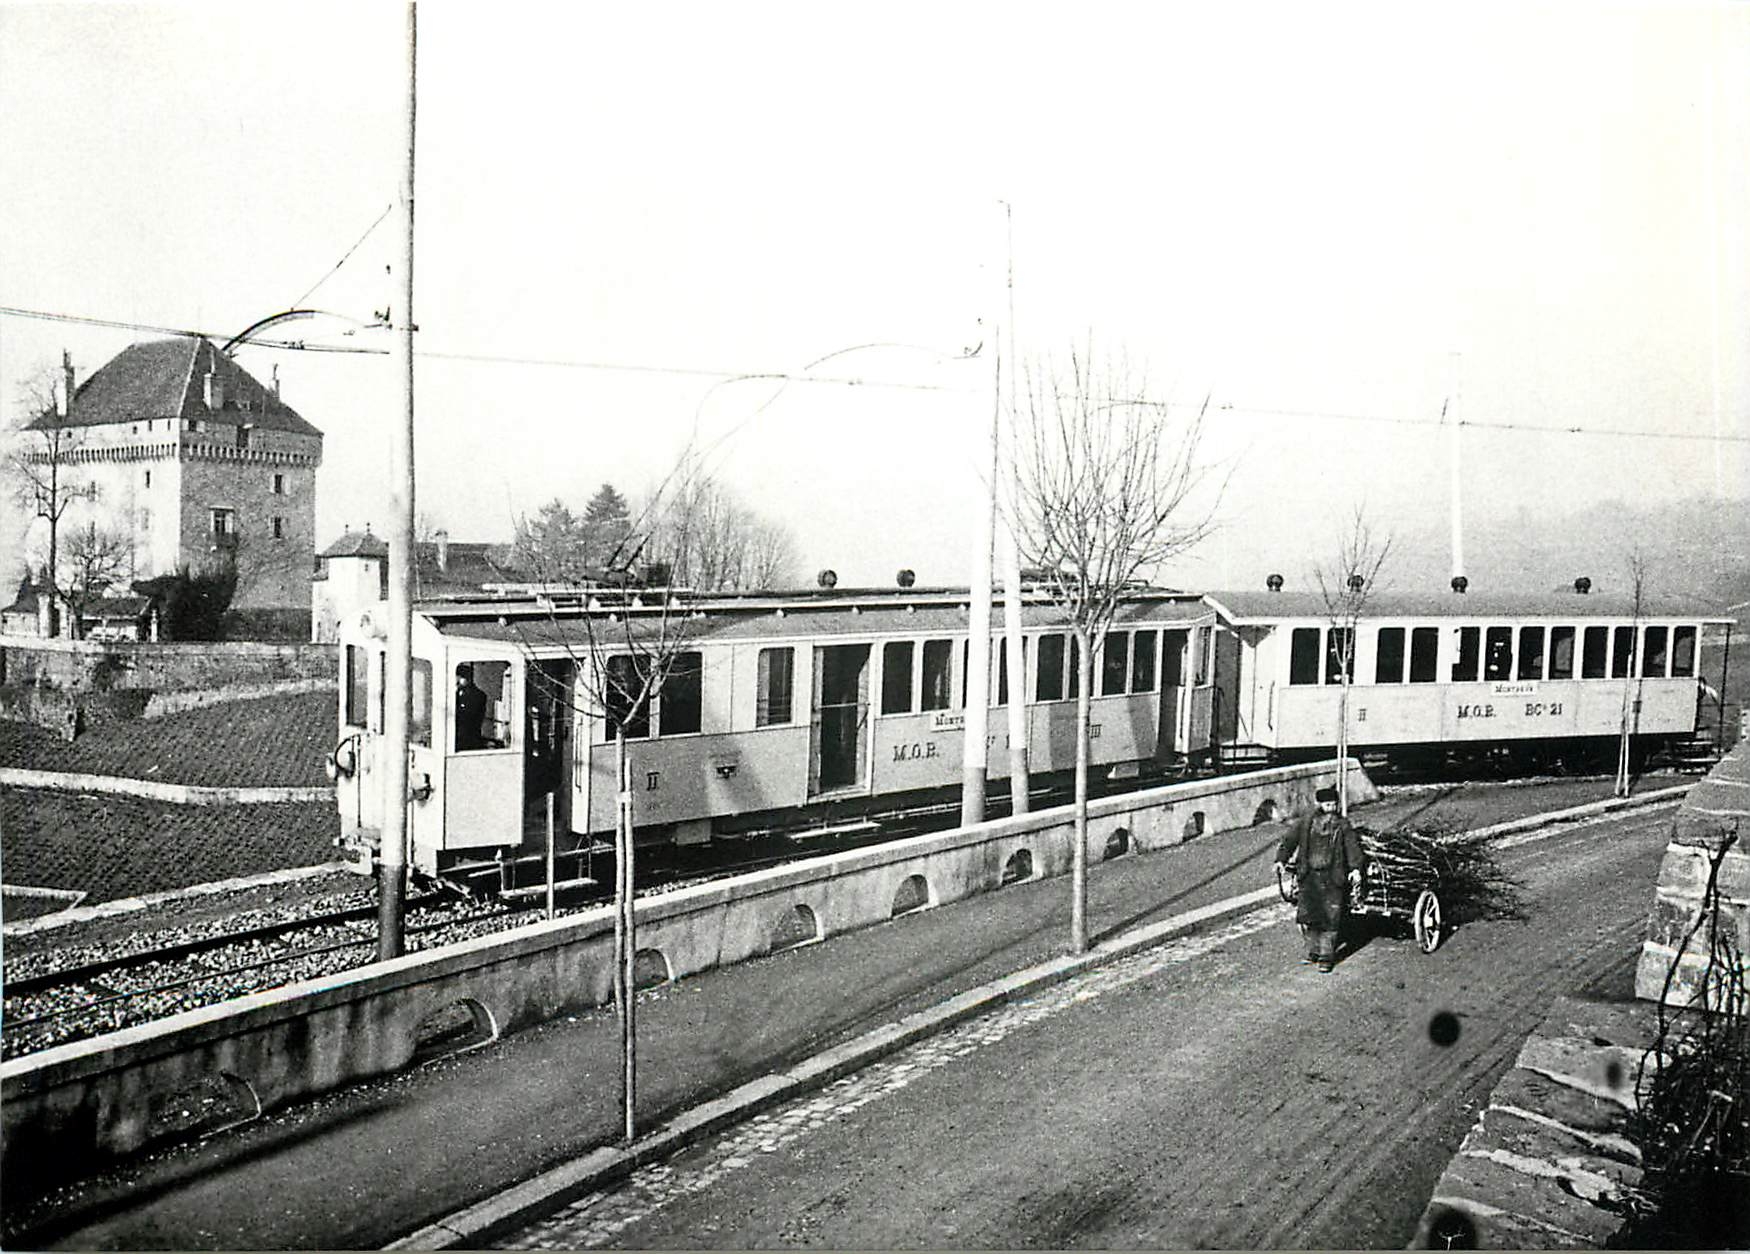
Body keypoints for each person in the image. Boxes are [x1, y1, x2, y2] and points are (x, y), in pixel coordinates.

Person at [1273, 785, 1366, 972]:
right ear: (1319, 804)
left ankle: (1326, 957)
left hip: (1333, 878)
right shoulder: (1305, 823)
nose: (1331, 808)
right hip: (1309, 877)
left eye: (1333, 804)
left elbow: (1352, 847)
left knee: (1330, 918)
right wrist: (1281, 860)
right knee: (1308, 916)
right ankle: (1313, 951)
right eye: (1327, 804)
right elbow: (1289, 841)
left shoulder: (1343, 824)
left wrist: (1355, 868)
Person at [455, 668, 488, 751]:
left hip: (469, 737)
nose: (457, 681)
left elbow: (469, 716)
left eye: (461, 678)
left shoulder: (478, 695)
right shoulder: (457, 693)